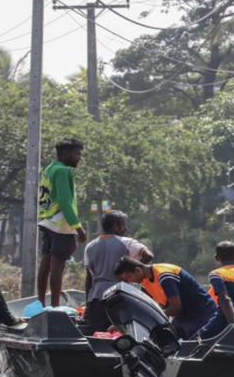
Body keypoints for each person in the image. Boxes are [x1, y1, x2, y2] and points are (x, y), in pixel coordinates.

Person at [114, 257, 217, 340]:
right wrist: (125, 322)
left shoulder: (164, 276)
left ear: (137, 270)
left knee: (193, 347)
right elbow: (147, 306)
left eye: (129, 277)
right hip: (183, 317)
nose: (131, 281)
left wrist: (151, 319)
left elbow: (176, 307)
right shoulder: (144, 281)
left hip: (202, 315)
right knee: (163, 341)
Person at [83, 211, 153, 332]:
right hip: (120, 296)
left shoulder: (90, 246)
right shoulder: (127, 242)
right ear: (115, 226)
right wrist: (132, 272)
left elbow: (89, 279)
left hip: (96, 299)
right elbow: (148, 255)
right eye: (124, 225)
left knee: (98, 337)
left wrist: (87, 304)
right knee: (122, 336)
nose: (126, 228)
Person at [37, 137, 86, 307]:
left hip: (47, 220)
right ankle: (55, 307)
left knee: (46, 261)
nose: (79, 157)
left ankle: (41, 303)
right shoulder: (63, 171)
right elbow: (65, 201)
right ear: (66, 154)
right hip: (61, 223)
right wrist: (78, 228)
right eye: (77, 154)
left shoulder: (48, 169)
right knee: (58, 263)